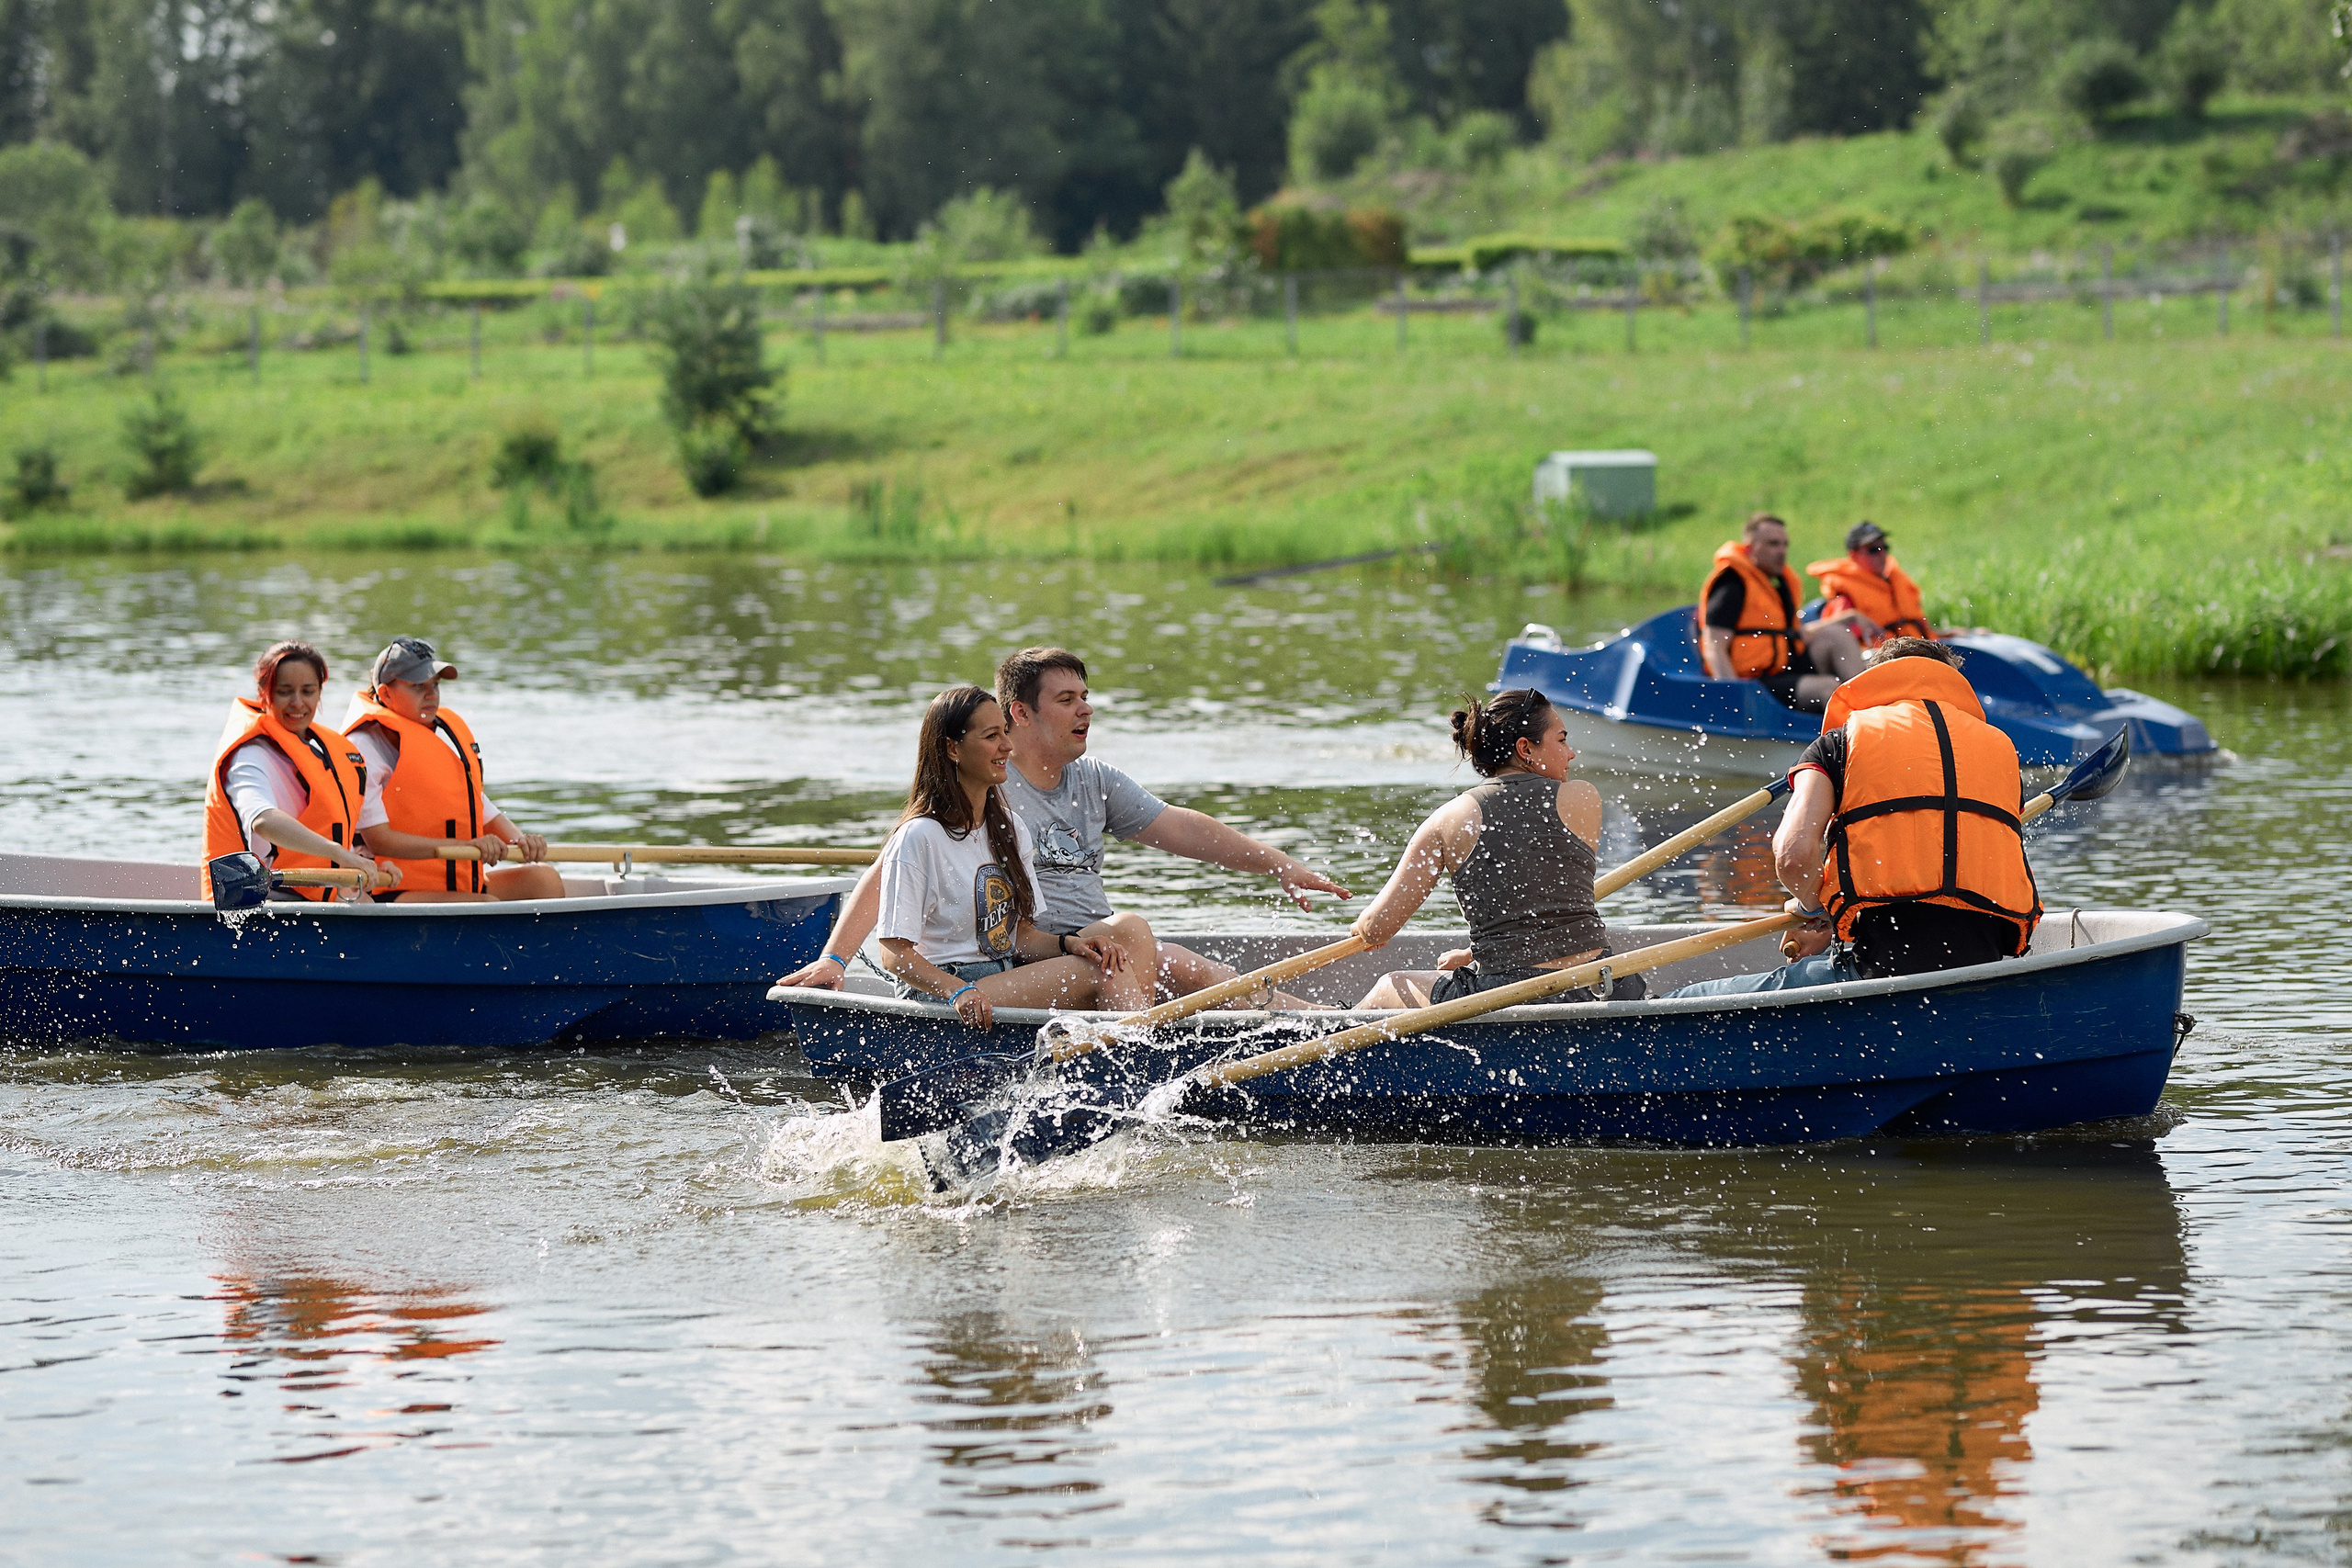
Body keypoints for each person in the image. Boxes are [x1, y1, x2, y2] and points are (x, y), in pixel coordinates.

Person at [777, 647, 1351, 1006]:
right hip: (1023, 958)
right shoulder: (988, 787)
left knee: (1208, 975)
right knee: (1140, 941)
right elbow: (890, 873)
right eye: (1067, 699)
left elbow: (1180, 827)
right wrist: (834, 959)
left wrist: (1277, 862)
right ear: (1019, 713)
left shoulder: (1093, 779)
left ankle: (1334, 1028)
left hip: (1081, 943)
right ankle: (1140, 1065)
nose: (1086, 710)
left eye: (1086, 697)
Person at [1671, 637, 2042, 998]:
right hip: (1985, 968)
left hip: (1881, 969)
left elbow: (1792, 854)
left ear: (1876, 683)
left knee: (1690, 996)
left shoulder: (1841, 741)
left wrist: (1816, 909)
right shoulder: (2003, 752)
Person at [869, 684, 1157, 1029]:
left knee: (1110, 958)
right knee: (1104, 973)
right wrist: (957, 992)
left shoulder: (1011, 829)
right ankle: (1141, 1068)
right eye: (992, 736)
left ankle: (1114, 1066)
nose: (1007, 745)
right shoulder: (918, 837)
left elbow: (1020, 936)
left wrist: (1072, 944)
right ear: (952, 748)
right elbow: (894, 954)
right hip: (943, 995)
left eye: (1006, 732)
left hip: (1001, 979)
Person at [1352, 688, 1645, 1009]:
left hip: (1509, 994)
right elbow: (1546, 907)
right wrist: (1472, 954)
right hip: (1604, 984)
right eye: (1561, 741)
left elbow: (1378, 927)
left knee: (1390, 985)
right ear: (1525, 749)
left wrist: (1365, 928)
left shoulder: (1447, 819)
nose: (1571, 753)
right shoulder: (1583, 798)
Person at [341, 637, 566, 903]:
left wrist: (522, 842)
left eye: (435, 685)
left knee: (543, 880)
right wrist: (466, 847)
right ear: (386, 693)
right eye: (418, 687)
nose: (431, 695)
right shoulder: (363, 748)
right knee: (486, 906)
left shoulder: (430, 742)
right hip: (388, 887)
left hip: (448, 884)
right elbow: (380, 841)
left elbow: (484, 811)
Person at [200, 640, 395, 902]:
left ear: (319, 693)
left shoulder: (320, 753)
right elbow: (263, 821)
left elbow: (326, 830)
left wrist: (363, 865)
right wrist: (339, 853)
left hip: (312, 895)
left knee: (369, 907)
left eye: (308, 691)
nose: (297, 703)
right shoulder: (248, 756)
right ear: (264, 693)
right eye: (284, 691)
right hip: (253, 902)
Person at [1700, 512, 1868, 713]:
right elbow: (1714, 646)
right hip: (1756, 683)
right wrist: (1734, 700)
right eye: (1773, 544)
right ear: (1750, 549)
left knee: (1839, 635)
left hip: (1785, 668)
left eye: (1784, 544)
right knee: (1829, 687)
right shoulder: (1732, 585)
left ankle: (1871, 709)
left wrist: (1847, 618)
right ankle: (1854, 737)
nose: (1782, 551)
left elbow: (1797, 634)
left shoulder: (1777, 585)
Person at [1805, 520, 1935, 648]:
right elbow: (1838, 643)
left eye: (1885, 548)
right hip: (1883, 660)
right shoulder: (1845, 594)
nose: (1882, 554)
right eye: (1874, 550)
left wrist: (1945, 634)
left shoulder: (1897, 581)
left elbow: (1918, 625)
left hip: (1923, 649)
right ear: (1853, 555)